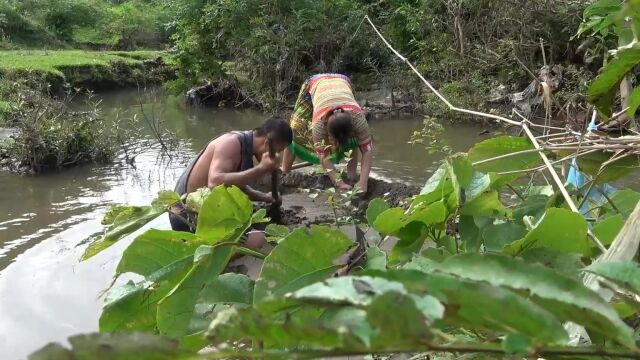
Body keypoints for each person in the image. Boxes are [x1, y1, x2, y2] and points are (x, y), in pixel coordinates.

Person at [169, 117, 293, 243]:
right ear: (266, 143)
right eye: (278, 151)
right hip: (186, 216)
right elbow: (215, 182)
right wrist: (260, 169)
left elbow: (236, 186)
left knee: (251, 221)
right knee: (257, 240)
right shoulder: (231, 143)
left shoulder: (245, 145)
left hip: (205, 209)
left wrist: (266, 197)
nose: (277, 157)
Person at [282, 73, 373, 193]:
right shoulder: (319, 125)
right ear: (327, 131)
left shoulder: (358, 119)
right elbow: (323, 155)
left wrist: (363, 182)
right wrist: (339, 183)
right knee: (295, 128)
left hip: (343, 82)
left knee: (353, 141)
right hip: (314, 84)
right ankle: (284, 173)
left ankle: (352, 177)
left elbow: (367, 150)